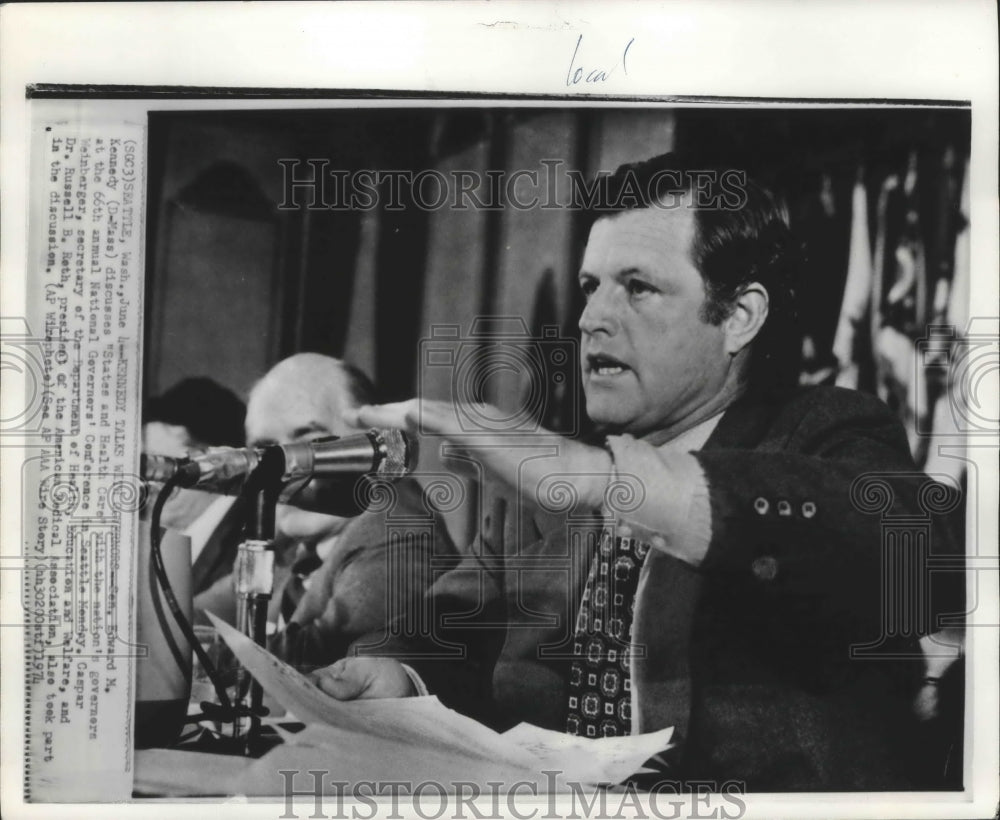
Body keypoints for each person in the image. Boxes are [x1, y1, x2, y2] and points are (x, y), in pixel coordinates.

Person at [309, 154, 963, 790]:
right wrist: (397, 670)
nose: (591, 319)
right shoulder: (541, 490)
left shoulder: (826, 433)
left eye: (638, 287)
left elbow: (914, 553)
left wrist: (617, 482)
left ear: (739, 317)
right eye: (591, 288)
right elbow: (445, 631)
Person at [193, 353, 460, 668]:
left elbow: (320, 662)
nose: (283, 469)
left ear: (376, 444)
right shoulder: (291, 541)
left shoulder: (396, 525)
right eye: (265, 450)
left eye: (312, 444)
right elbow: (186, 619)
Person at [142, 377, 248, 593]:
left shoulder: (248, 543)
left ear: (214, 466)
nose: (146, 484)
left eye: (159, 465)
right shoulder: (165, 541)